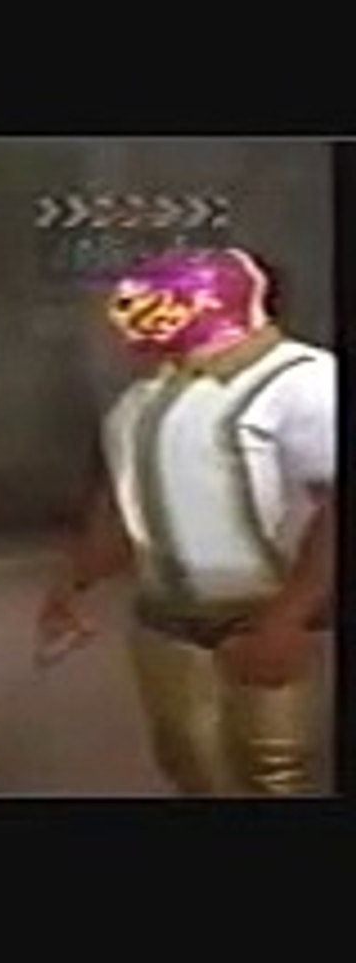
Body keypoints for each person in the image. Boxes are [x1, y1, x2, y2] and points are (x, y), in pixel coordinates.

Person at [36, 247, 336, 795]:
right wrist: (73, 582)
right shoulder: (141, 399)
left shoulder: (305, 380)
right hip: (166, 624)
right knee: (193, 769)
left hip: (269, 617)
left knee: (278, 773)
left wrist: (289, 618)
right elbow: (125, 503)